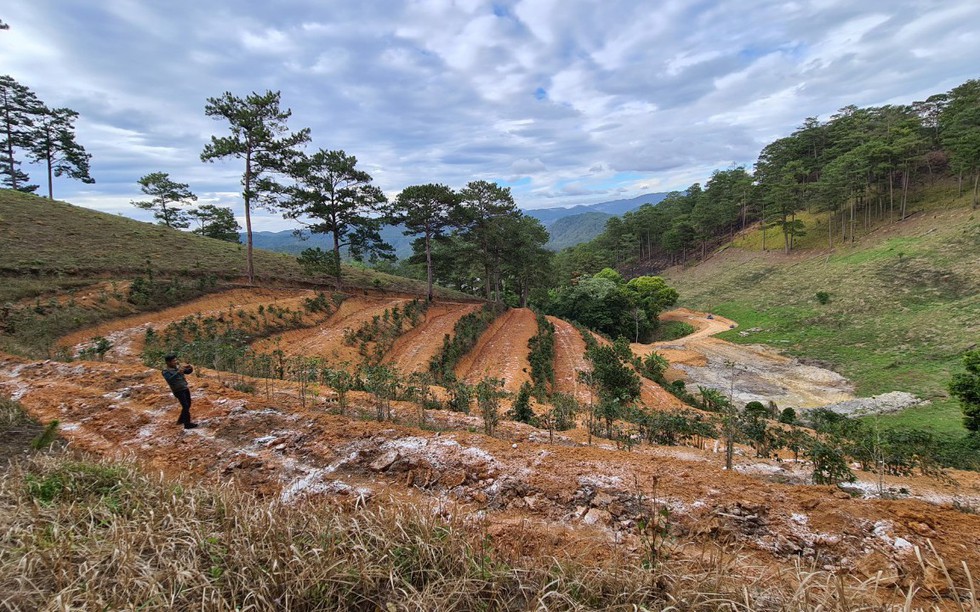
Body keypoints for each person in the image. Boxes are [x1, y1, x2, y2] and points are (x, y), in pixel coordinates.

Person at [162, 354, 198, 429]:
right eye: (173, 361)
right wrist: (178, 372)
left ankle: (181, 420)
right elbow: (169, 380)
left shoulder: (177, 368)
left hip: (184, 388)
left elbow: (188, 372)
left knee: (188, 404)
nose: (175, 362)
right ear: (168, 362)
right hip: (178, 390)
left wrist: (190, 367)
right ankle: (187, 424)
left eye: (175, 360)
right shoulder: (165, 371)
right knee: (185, 406)